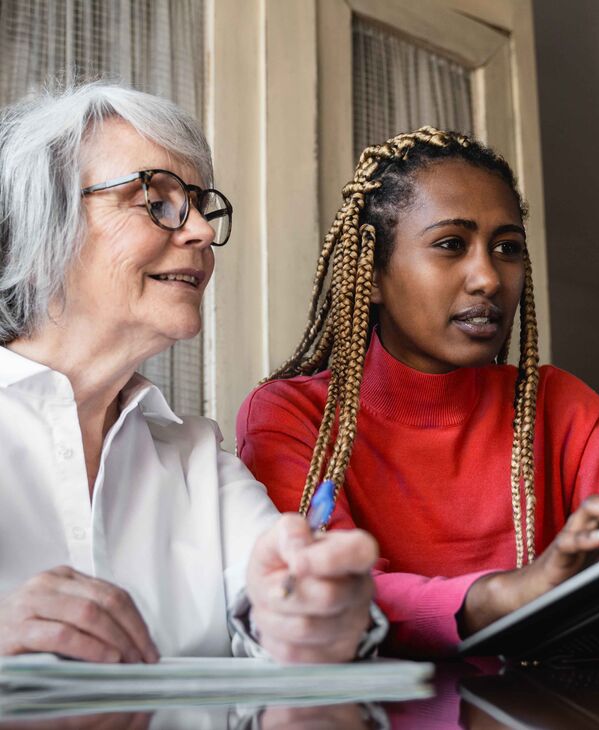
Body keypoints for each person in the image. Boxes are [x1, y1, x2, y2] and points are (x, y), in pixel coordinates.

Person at [237, 127, 599, 658]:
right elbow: (324, 594)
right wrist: (514, 590)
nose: (489, 278)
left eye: (508, 248)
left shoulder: (557, 404)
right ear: (373, 273)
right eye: (452, 244)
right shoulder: (294, 415)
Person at [0, 82, 379, 664]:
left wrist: (309, 615)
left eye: (202, 205)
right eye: (157, 200)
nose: (201, 231)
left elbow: (285, 611)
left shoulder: (200, 463)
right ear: (44, 222)